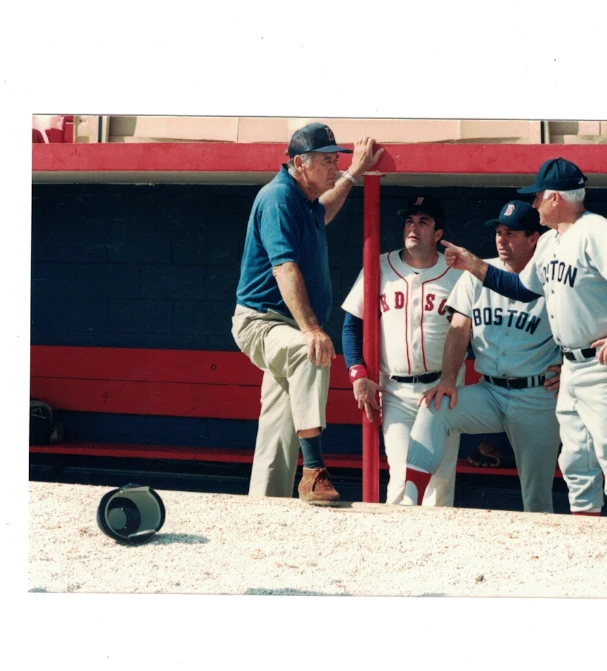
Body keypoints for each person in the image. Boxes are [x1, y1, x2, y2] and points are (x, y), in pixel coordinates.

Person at [441, 158, 607, 520]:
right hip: (574, 367)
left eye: (539, 196)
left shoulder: (595, 230)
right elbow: (520, 290)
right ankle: (585, 539)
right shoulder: (552, 242)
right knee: (576, 462)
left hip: (606, 364)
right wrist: (474, 264)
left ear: (555, 198)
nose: (535, 203)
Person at [231, 122, 383, 505]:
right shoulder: (279, 199)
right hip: (261, 322)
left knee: (278, 431)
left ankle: (264, 509)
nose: (334, 167)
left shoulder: (305, 199)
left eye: (336, 160)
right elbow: (284, 268)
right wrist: (311, 328)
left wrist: (352, 174)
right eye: (327, 161)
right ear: (300, 162)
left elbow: (326, 209)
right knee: (309, 350)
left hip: (282, 324)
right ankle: (314, 469)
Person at [400, 201, 563, 513]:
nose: (501, 239)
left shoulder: (550, 279)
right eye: (498, 232)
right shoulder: (476, 274)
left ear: (533, 239)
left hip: (536, 395)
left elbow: (579, 327)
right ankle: (409, 503)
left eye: (511, 233)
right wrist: (447, 379)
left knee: (537, 496)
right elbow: (459, 329)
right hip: (490, 392)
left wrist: (570, 366)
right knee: (435, 407)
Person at [340, 196, 464, 506]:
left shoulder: (456, 274)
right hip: (395, 390)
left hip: (442, 389)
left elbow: (479, 330)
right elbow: (352, 325)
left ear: (438, 234)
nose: (414, 227)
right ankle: (397, 547)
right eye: (409, 220)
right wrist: (357, 373)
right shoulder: (380, 266)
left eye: (424, 222)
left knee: (439, 480)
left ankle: (438, 550)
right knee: (401, 476)